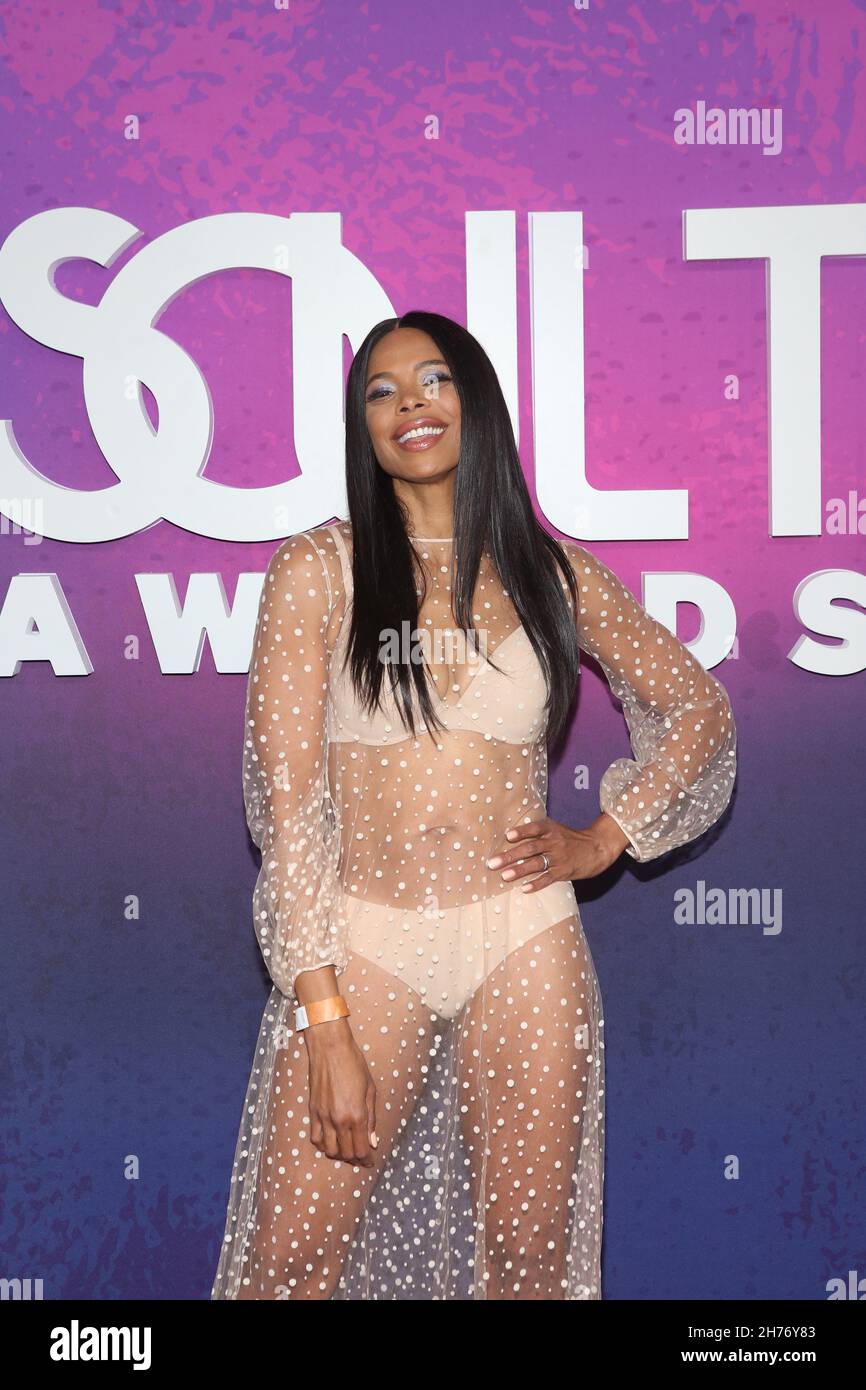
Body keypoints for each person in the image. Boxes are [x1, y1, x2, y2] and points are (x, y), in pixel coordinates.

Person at [211, 310, 737, 1301]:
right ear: (361, 428)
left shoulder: (552, 570)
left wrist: (604, 838)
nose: (408, 402)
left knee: (529, 1261)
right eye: (380, 390)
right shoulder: (316, 570)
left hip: (523, 942)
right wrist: (324, 1020)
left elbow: (696, 709)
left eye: (433, 379)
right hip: (360, 947)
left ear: (475, 405)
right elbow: (285, 814)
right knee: (285, 1266)